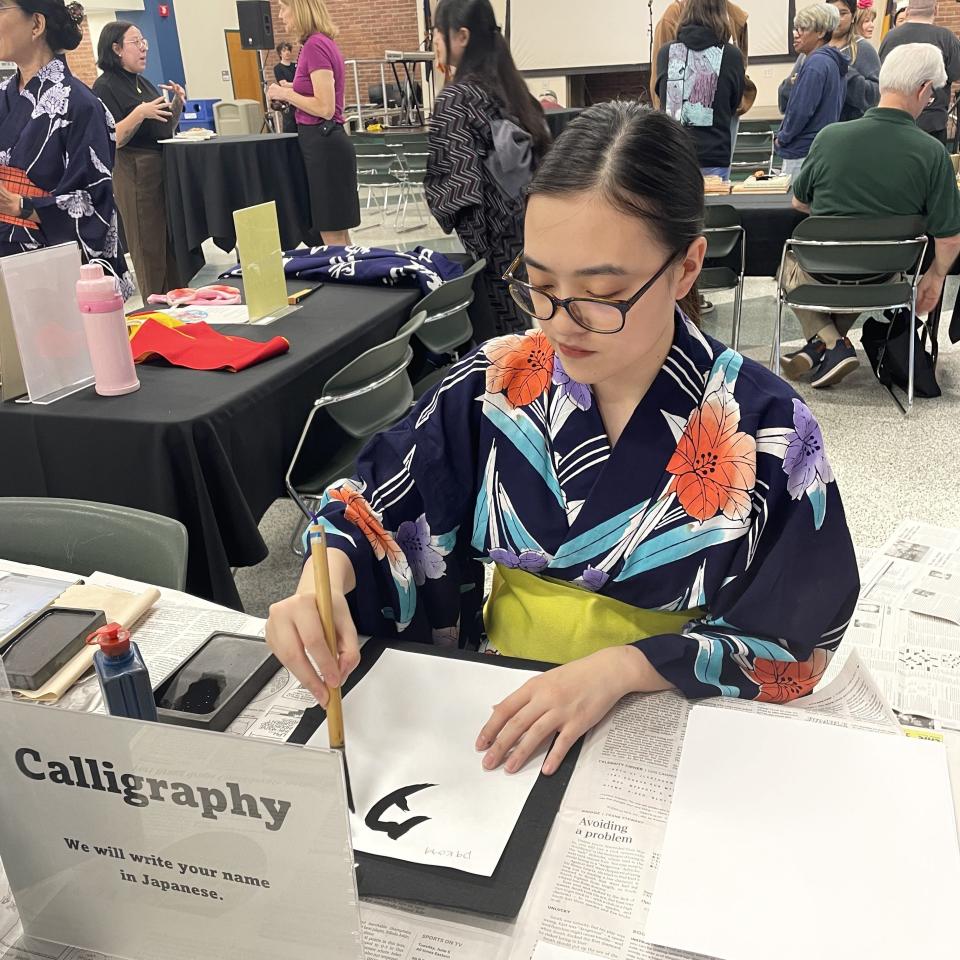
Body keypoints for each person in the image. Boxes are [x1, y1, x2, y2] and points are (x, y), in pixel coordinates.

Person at [265, 102, 860, 777]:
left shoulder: (767, 427)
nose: (558, 325)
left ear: (687, 267)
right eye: (540, 286)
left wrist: (624, 667)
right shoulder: (500, 380)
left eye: (600, 294)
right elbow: (378, 497)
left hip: (667, 711)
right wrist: (329, 567)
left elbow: (795, 636)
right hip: (508, 704)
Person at [780, 43, 960, 387]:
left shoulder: (829, 137)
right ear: (923, 89)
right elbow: (950, 236)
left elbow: (799, 204)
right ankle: (833, 344)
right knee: (862, 267)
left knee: (789, 265)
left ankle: (825, 344)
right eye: (932, 95)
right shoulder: (932, 153)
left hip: (823, 276)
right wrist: (935, 277)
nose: (930, 101)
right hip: (884, 279)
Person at [425, 0, 551, 339]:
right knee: (522, 329)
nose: (434, 40)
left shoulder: (457, 99)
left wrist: (480, 253)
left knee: (496, 346)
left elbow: (460, 192)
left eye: (438, 32)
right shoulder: (512, 90)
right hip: (527, 237)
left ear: (461, 36)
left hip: (491, 248)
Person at [0, 0, 131, 293]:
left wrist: (20, 205)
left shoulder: (81, 104)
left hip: (54, 267)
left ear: (36, 24)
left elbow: (95, 202)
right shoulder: (2, 98)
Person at [93, 21, 185, 300]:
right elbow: (113, 137)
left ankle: (179, 304)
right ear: (116, 48)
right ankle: (155, 309)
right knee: (147, 247)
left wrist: (177, 104)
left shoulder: (142, 82)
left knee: (169, 244)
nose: (144, 48)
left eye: (144, 41)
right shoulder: (105, 85)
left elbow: (164, 128)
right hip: (133, 170)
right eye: (136, 42)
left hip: (160, 167)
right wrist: (140, 113)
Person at [267, 0, 359, 246]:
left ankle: (345, 283)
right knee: (336, 233)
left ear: (299, 9)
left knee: (331, 234)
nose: (280, 14)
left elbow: (325, 108)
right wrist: (291, 88)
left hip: (324, 143)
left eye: (283, 7)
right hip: (324, 143)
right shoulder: (319, 43)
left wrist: (285, 94)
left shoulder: (315, 46)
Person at [655, 0, 746, 180]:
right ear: (722, 13)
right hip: (714, 155)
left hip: (674, 154)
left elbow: (660, 93)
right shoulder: (732, 55)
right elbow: (734, 102)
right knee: (713, 209)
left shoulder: (665, 53)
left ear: (687, 11)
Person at [776, 4, 847, 177]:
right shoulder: (832, 61)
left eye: (803, 28)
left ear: (821, 32)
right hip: (819, 149)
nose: (796, 34)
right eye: (796, 28)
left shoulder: (815, 64)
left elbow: (801, 111)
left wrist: (782, 138)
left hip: (802, 153)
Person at [650, 0, 755, 117]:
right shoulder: (671, 18)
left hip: (723, 118)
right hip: (678, 124)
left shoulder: (736, 17)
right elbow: (660, 88)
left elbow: (738, 80)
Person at [879, 0, 960, 145]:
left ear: (908, 10)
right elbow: (956, 74)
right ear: (936, 9)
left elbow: (881, 74)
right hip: (932, 123)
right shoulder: (946, 38)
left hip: (895, 118)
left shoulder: (891, 37)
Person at [829, 0, 881, 121]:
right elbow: (787, 98)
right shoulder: (815, 47)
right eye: (831, 12)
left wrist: (844, 72)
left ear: (853, 17)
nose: (836, 18)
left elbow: (875, 97)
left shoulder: (863, 48)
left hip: (849, 130)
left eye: (842, 13)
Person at [273, 41, 298, 133]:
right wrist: (298, 85)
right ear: (280, 53)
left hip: (298, 98)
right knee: (289, 125)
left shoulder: (296, 66)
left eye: (288, 50)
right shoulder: (278, 68)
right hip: (287, 100)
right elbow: (284, 84)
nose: (287, 52)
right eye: (284, 50)